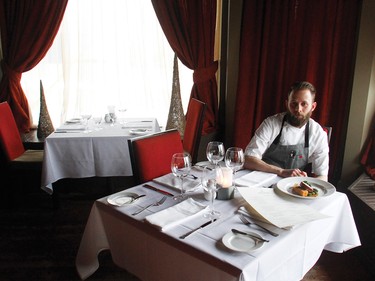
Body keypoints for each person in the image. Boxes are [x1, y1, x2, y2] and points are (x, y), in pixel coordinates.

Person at [244, 81, 329, 181]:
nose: (298, 109)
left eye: (304, 104)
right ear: (286, 104)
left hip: (292, 187)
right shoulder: (271, 123)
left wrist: (309, 188)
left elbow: (322, 175)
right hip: (262, 181)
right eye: (294, 104)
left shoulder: (318, 133)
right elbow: (248, 160)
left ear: (313, 106)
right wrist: (281, 171)